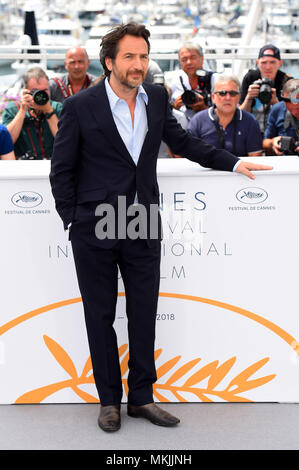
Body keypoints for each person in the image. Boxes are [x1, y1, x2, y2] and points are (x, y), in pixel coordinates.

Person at [50, 23, 272, 433]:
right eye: (130, 57)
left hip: (142, 221)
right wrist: (72, 220)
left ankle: (141, 398)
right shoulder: (81, 106)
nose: (139, 65)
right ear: (110, 61)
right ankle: (109, 402)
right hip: (94, 226)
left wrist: (235, 162)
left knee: (144, 313)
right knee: (99, 316)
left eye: (144, 56)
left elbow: (186, 144)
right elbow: (61, 170)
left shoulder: (155, 98)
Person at [188, 75, 263, 156]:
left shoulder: (250, 121)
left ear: (239, 97)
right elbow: (189, 155)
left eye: (233, 93)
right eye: (222, 93)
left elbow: (255, 157)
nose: (228, 98)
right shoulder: (198, 121)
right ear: (213, 97)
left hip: (240, 168)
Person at [2, 67, 62, 160]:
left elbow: (64, 141)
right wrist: (22, 111)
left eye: (45, 90)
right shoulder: (13, 109)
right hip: (24, 165)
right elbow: (6, 141)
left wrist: (49, 111)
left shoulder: (57, 108)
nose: (41, 95)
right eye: (36, 91)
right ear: (26, 91)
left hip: (53, 163)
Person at [239, 44, 293, 134]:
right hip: (252, 129)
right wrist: (248, 98)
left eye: (272, 62)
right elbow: (240, 115)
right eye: (264, 62)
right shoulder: (250, 78)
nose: (268, 67)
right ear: (258, 63)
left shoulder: (287, 81)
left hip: (279, 130)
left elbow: (293, 116)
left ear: (280, 63)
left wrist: (276, 104)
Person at [171, 42, 215, 121]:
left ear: (202, 58)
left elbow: (227, 113)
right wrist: (175, 107)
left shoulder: (215, 81)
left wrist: (205, 108)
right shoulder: (176, 84)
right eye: (184, 59)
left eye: (193, 57)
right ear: (180, 63)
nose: (189, 62)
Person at [263, 78, 299, 155]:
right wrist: (273, 142)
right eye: (290, 109)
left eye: (298, 109)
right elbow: (265, 142)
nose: (294, 113)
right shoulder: (277, 109)